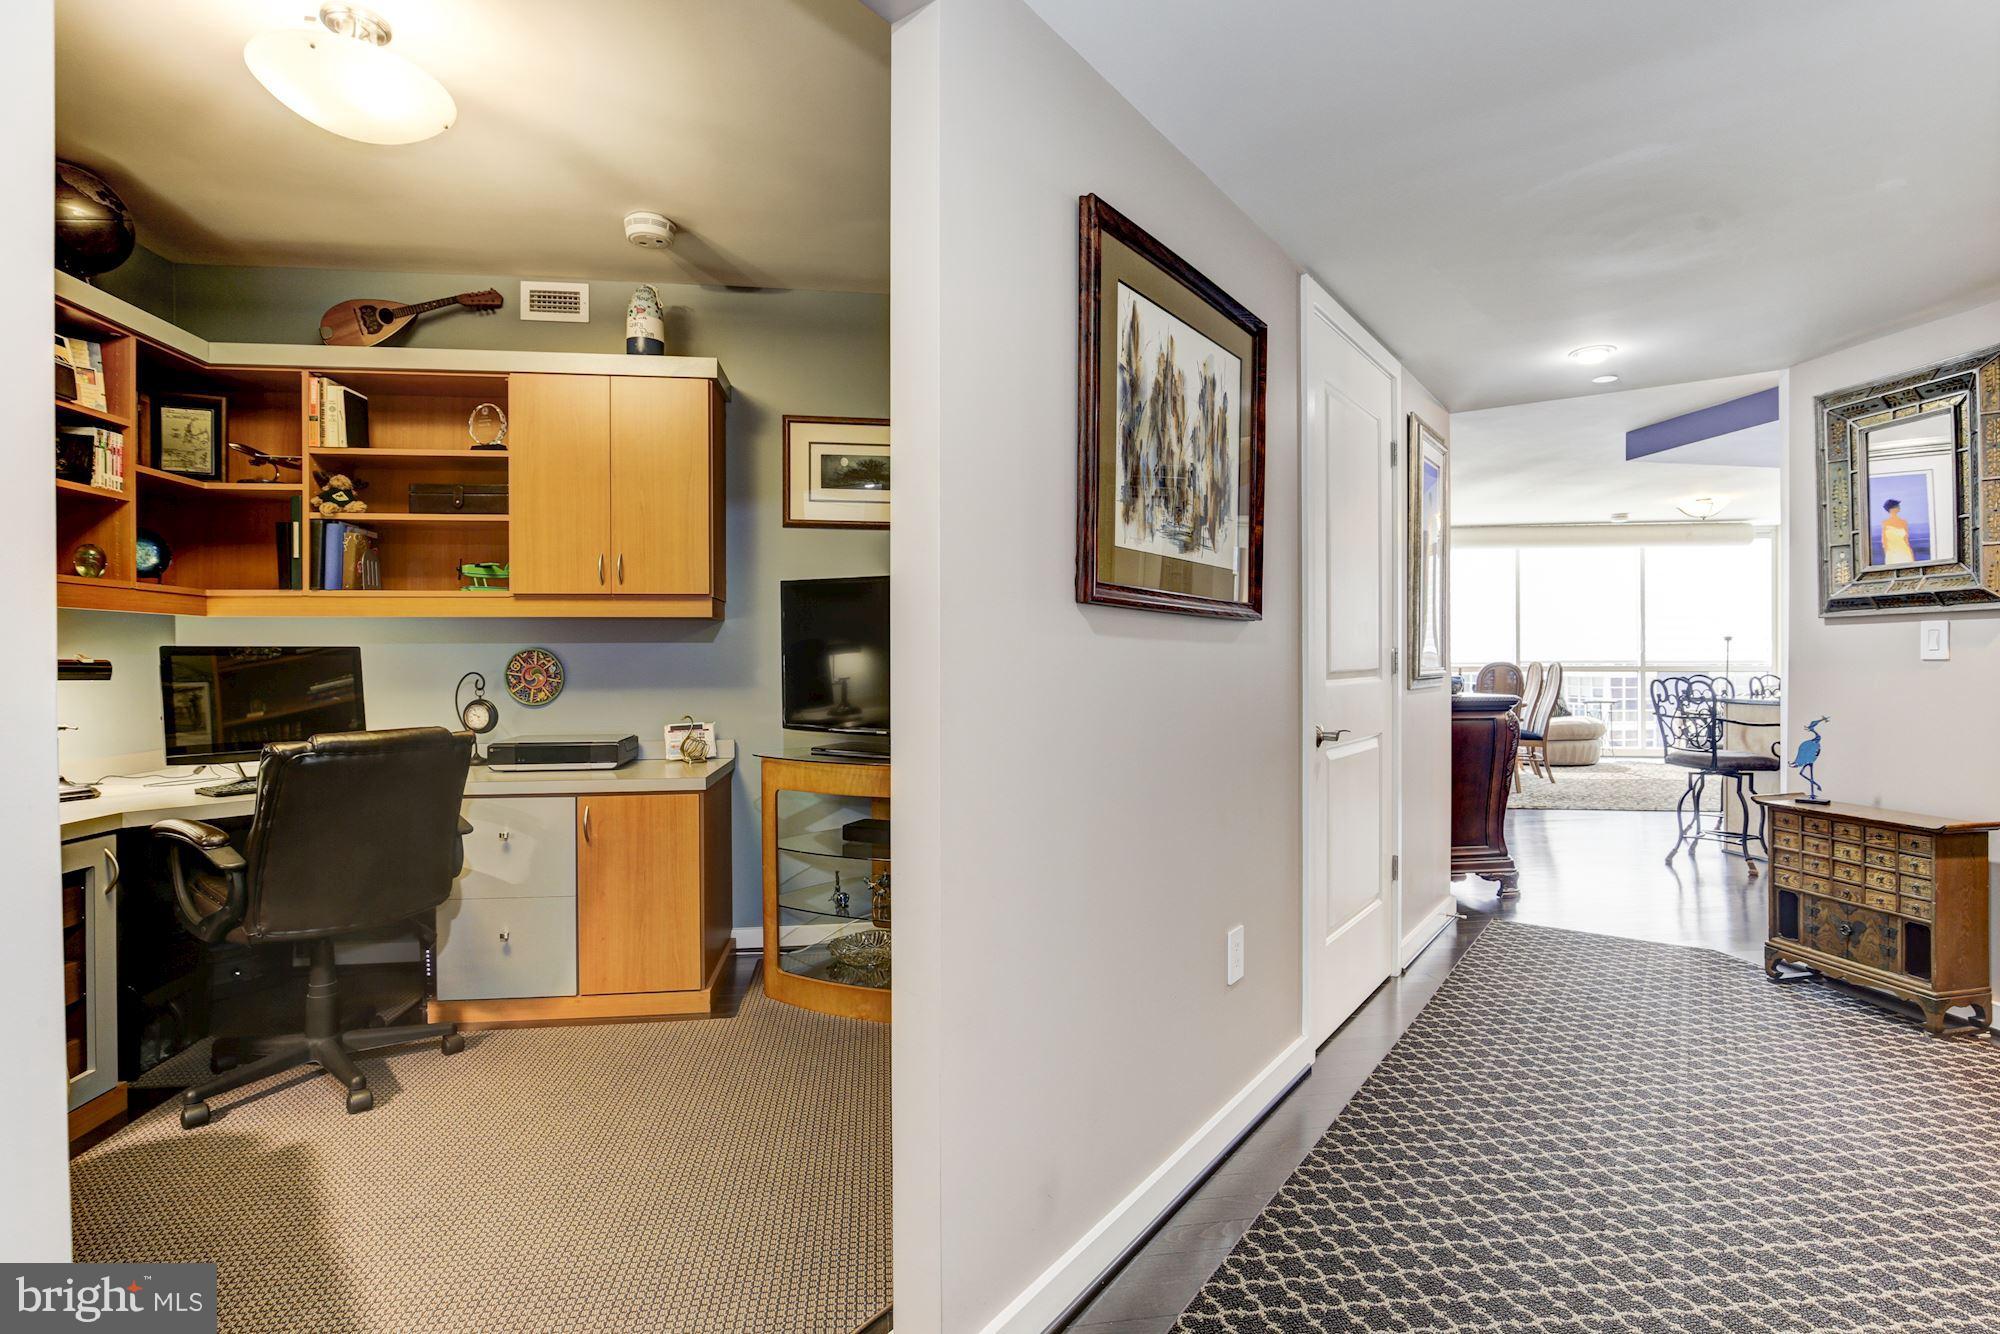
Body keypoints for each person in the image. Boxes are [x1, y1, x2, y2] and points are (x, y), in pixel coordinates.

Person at [1880, 497, 1915, 564]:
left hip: (1904, 552)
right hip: (1891, 554)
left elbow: (1906, 540)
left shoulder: (1903, 522)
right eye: (1897, 506)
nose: (1899, 507)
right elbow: (1884, 541)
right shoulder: (1885, 523)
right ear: (1891, 509)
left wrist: (1911, 554)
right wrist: (1887, 554)